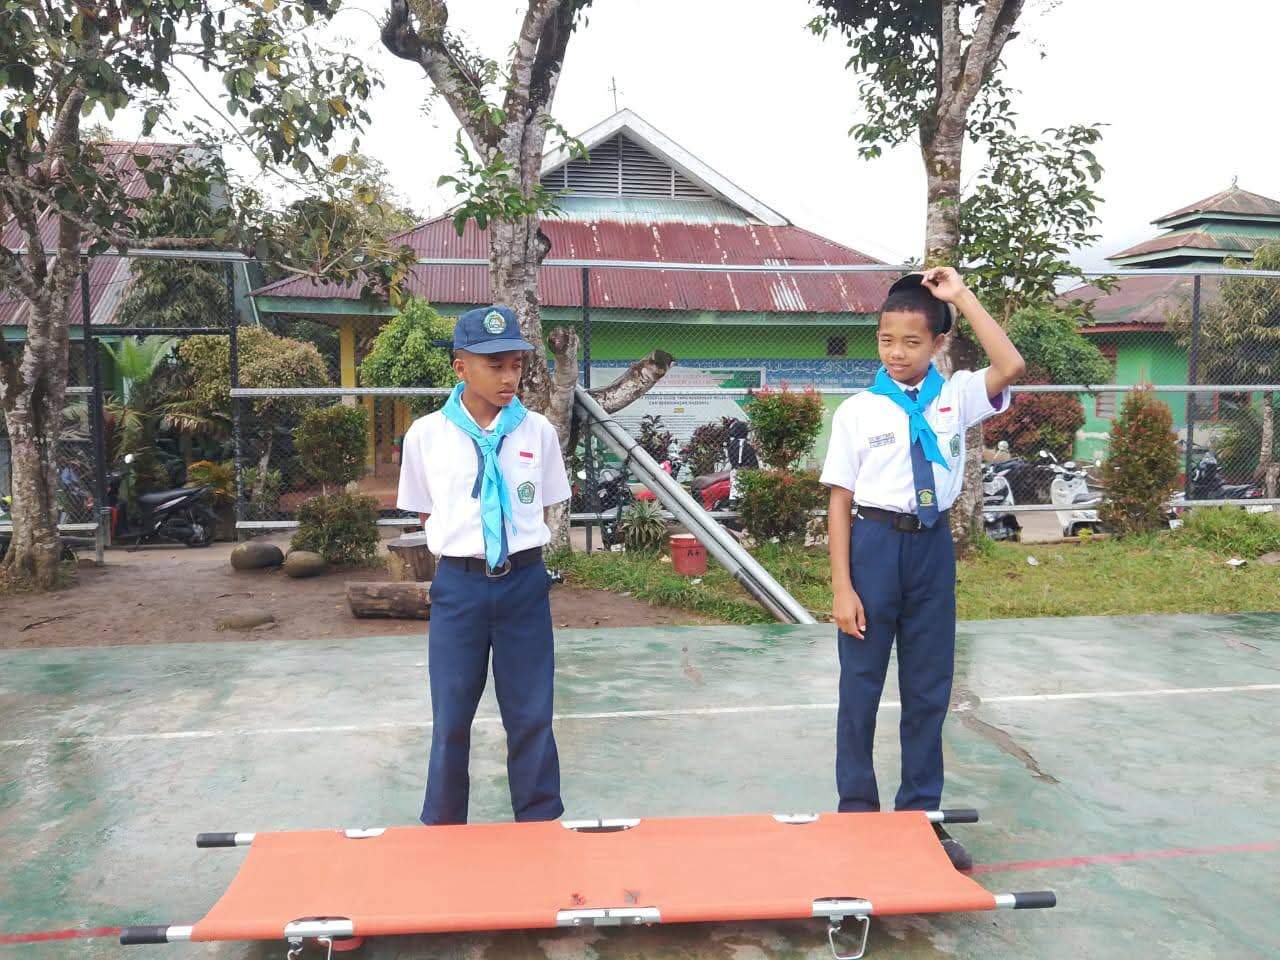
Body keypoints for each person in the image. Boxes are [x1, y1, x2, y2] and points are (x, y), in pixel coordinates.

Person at [820, 267, 1025, 870]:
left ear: (937, 343)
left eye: (912, 342)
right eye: (887, 340)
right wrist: (842, 586)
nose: (897, 352)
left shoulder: (955, 396)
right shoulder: (857, 411)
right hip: (873, 547)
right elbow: (839, 500)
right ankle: (856, 814)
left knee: (928, 689)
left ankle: (920, 820)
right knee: (860, 687)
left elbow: (1010, 364)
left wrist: (961, 296)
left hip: (931, 550)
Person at [396, 304, 571, 826]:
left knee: (531, 714)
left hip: (524, 584)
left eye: (516, 364)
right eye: (495, 365)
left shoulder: (537, 432)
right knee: (451, 716)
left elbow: (545, 503)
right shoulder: (426, 435)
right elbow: (427, 511)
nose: (508, 376)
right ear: (461, 367)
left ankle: (539, 823)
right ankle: (444, 825)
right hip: (459, 587)